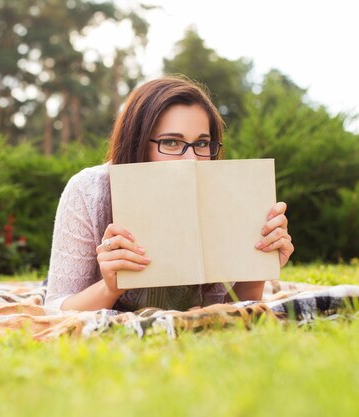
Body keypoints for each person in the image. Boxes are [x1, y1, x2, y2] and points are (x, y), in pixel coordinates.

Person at [45, 77, 294, 312]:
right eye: (171, 143)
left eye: (201, 143)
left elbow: (228, 310)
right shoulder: (89, 191)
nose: (191, 159)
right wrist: (110, 287)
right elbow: (55, 308)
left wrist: (257, 268)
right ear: (137, 142)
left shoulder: (228, 194)